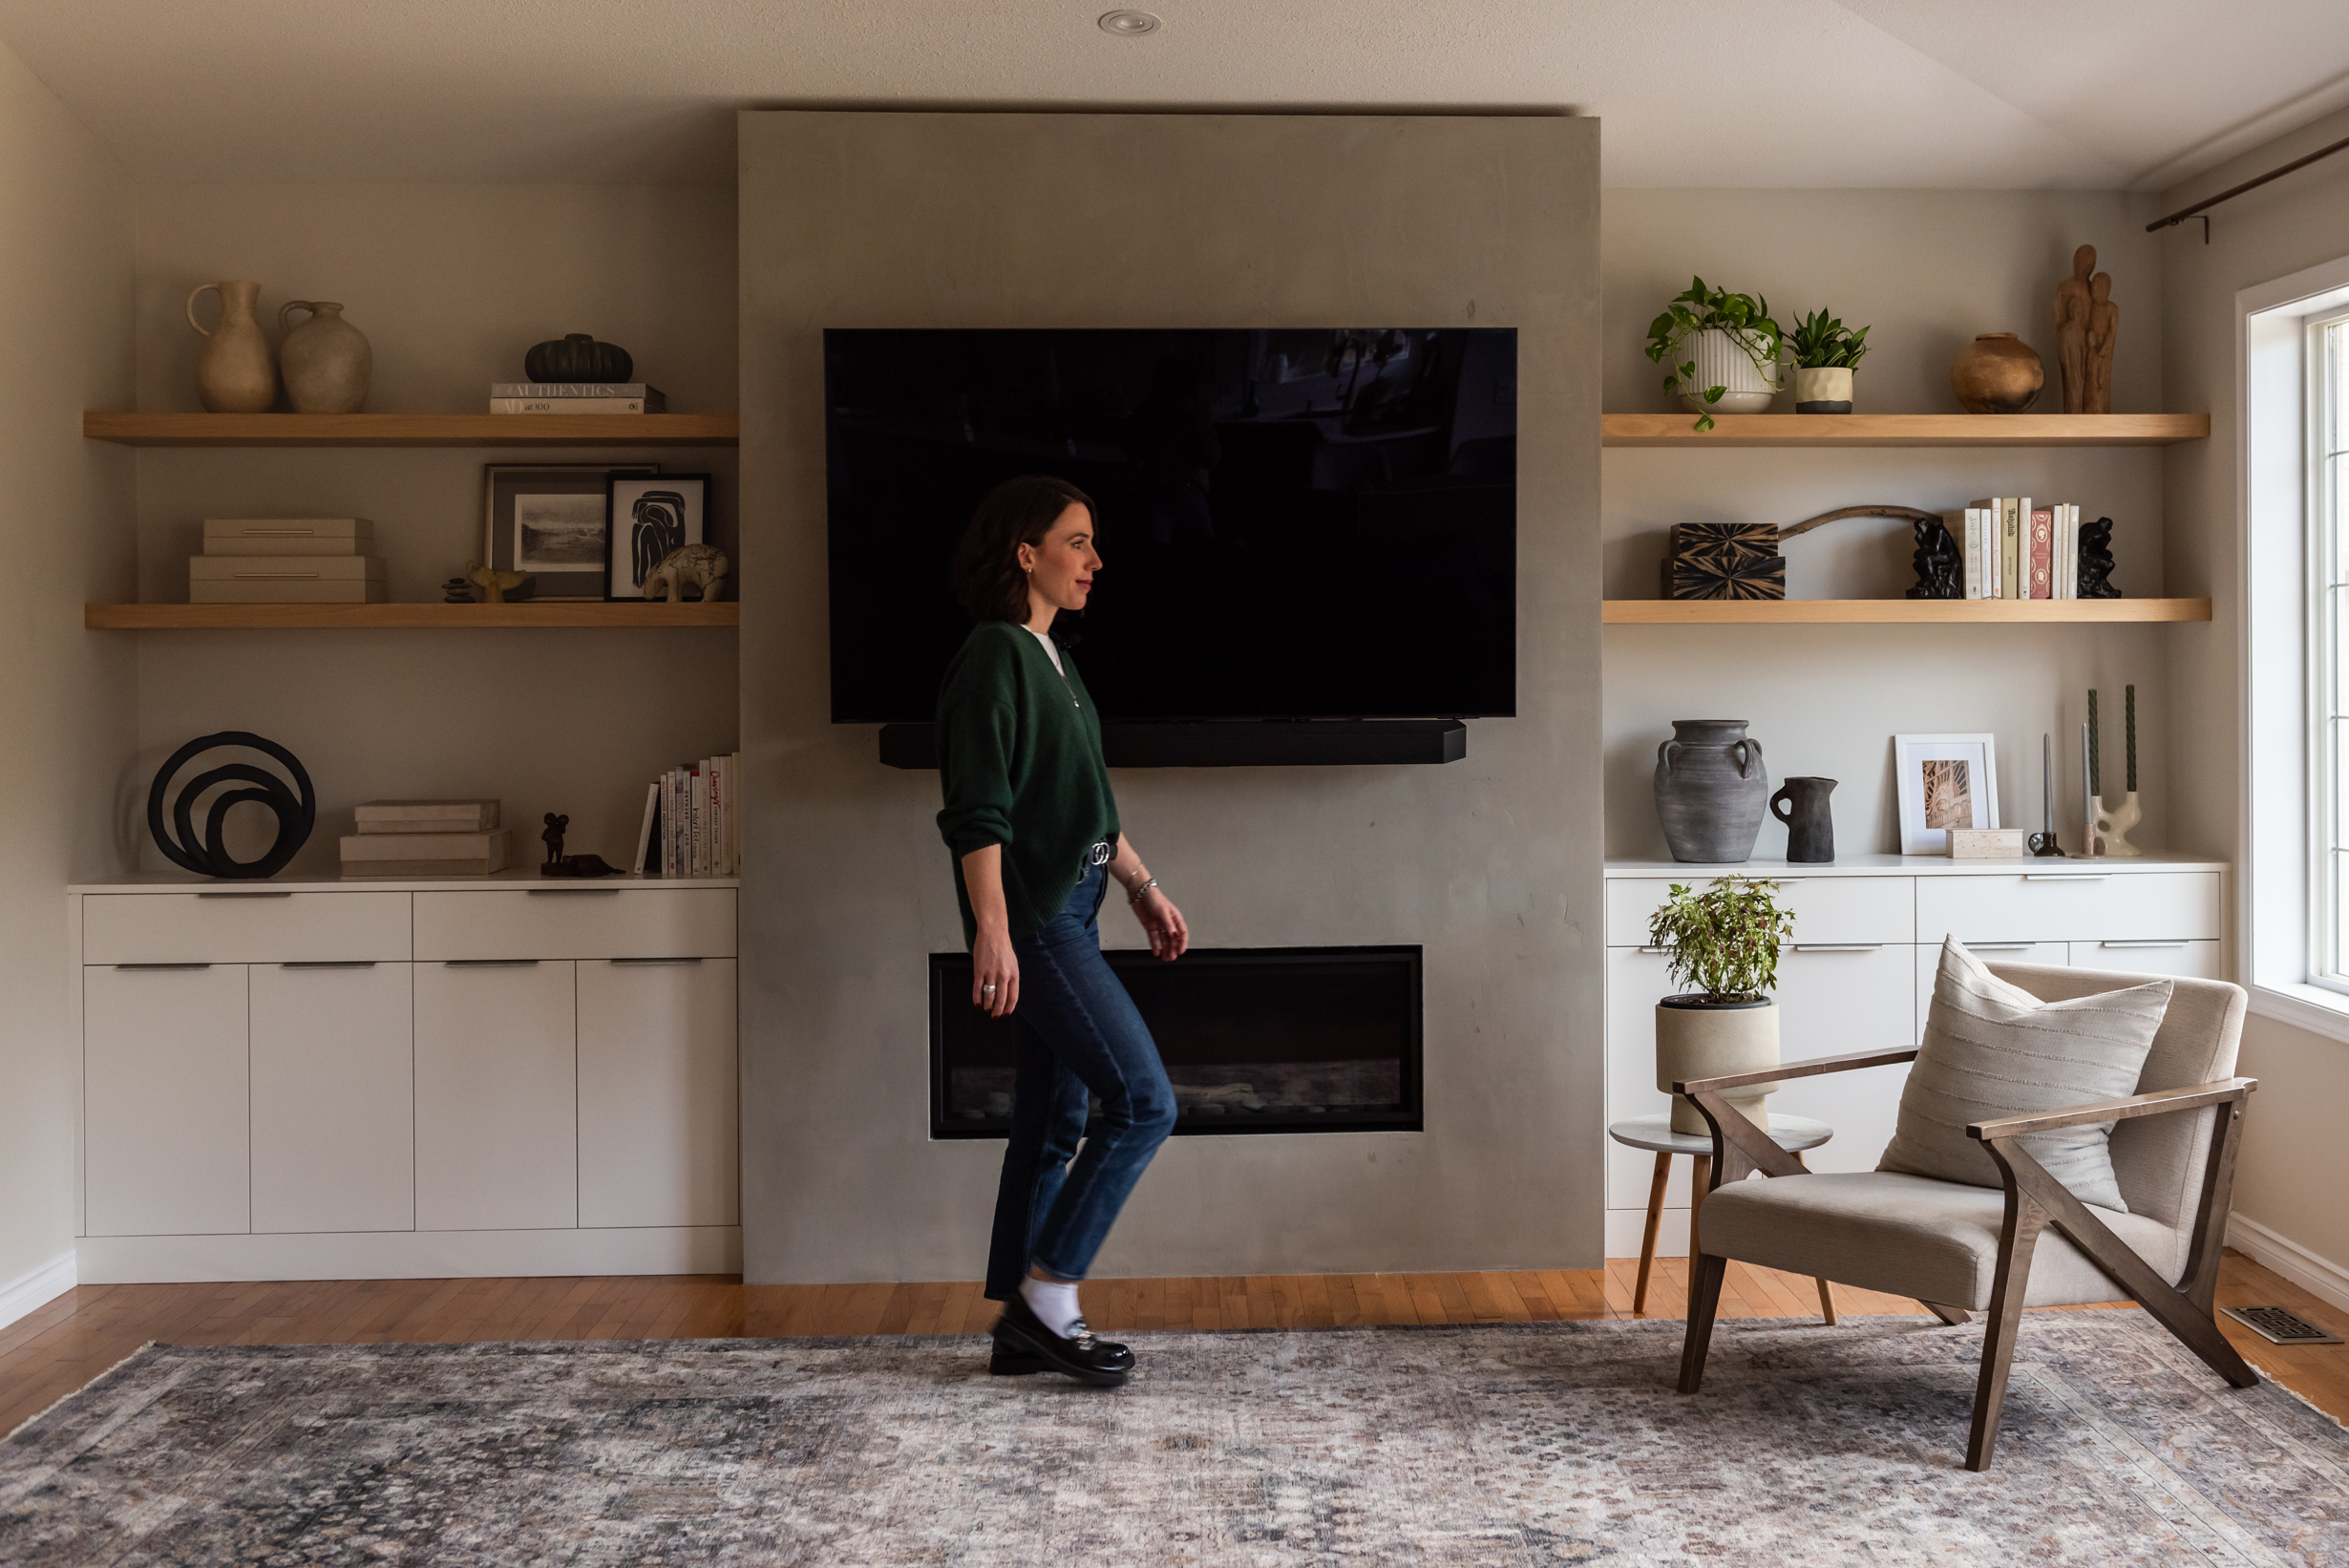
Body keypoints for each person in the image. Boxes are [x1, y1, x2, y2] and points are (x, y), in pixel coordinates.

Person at [934, 474, 1191, 1388]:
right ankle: (1049, 1300)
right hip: (1039, 921)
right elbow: (978, 815)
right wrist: (992, 932)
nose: (1094, 559)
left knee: (1052, 1121)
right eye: (1076, 541)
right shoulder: (992, 659)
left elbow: (1090, 807)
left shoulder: (1055, 662)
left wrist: (1143, 888)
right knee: (1144, 1102)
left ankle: (1018, 1329)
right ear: (1026, 552)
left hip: (1075, 903)